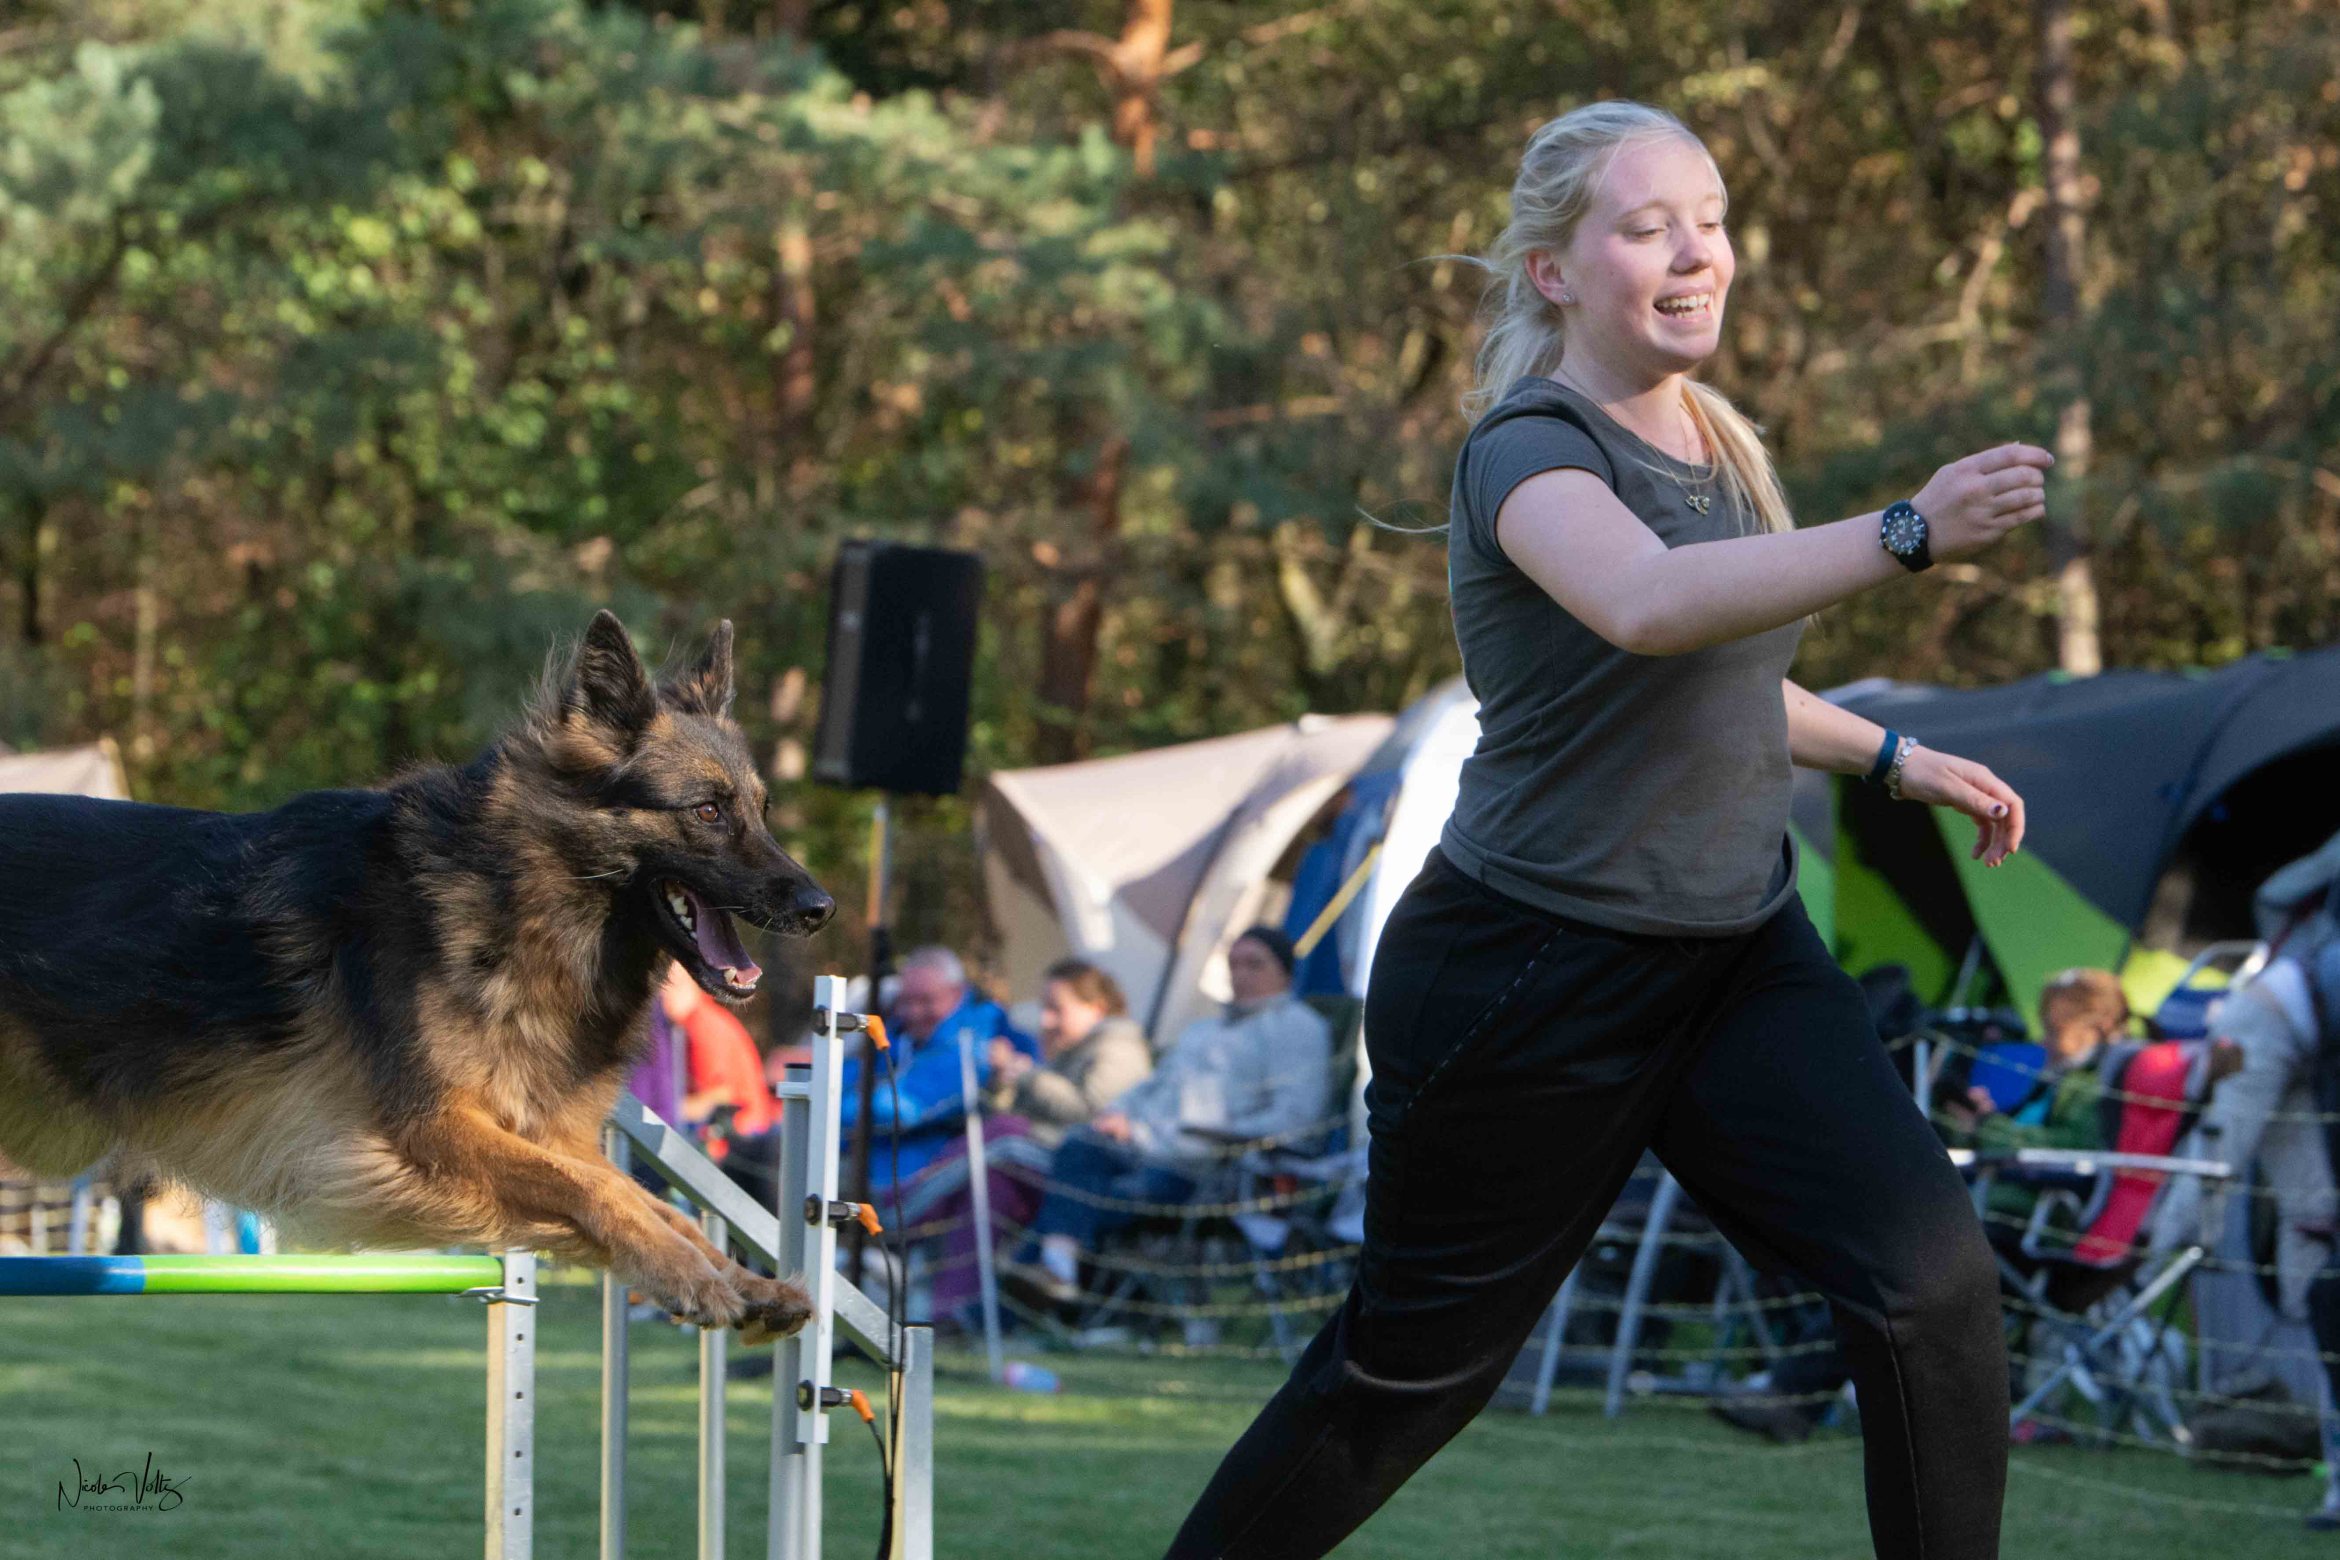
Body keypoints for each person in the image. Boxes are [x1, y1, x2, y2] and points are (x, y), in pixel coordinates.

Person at [1164, 101, 2049, 1560]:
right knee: (1405, 1385)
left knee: (1932, 1284)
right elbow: (1646, 609)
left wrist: (1892, 756)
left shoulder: (1716, 440)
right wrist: (1909, 531)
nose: (1696, 252)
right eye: (1648, 227)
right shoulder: (1530, 451)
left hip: (1736, 955)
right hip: (1529, 976)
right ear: (1554, 273)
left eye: (1708, 218)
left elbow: (1722, 672)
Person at [1008, 927, 1333, 1309]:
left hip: (1206, 1169)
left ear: (1285, 972)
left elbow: (1295, 1120)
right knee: (1078, 1152)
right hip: (1140, 1150)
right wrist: (1116, 1113)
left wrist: (1154, 1133)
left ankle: (1016, 1301)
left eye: (1254, 964)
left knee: (1076, 1196)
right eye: (1233, 964)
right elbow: (1150, 1086)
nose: (1241, 974)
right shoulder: (1203, 1030)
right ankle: (1048, 1281)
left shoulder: (1298, 1028)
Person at [898, 958, 1153, 1329]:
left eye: (1056, 1009)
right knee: (991, 1187)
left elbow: (1092, 1117)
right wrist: (1005, 1084)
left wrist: (1029, 1076)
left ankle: (897, 1213)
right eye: (1044, 1008)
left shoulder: (1120, 1050)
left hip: (1086, 1174)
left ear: (1095, 1008)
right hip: (1044, 1165)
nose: (1046, 1021)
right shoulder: (1066, 1050)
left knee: (1003, 1132)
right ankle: (953, 1309)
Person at [836, 945, 1037, 1199]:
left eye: (926, 1001)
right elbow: (851, 1074)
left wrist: (827, 1105)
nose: (914, 1012)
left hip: (931, 1182)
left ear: (958, 992)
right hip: (874, 1165)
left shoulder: (983, 1039)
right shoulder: (898, 1033)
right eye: (906, 1001)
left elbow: (907, 1107)